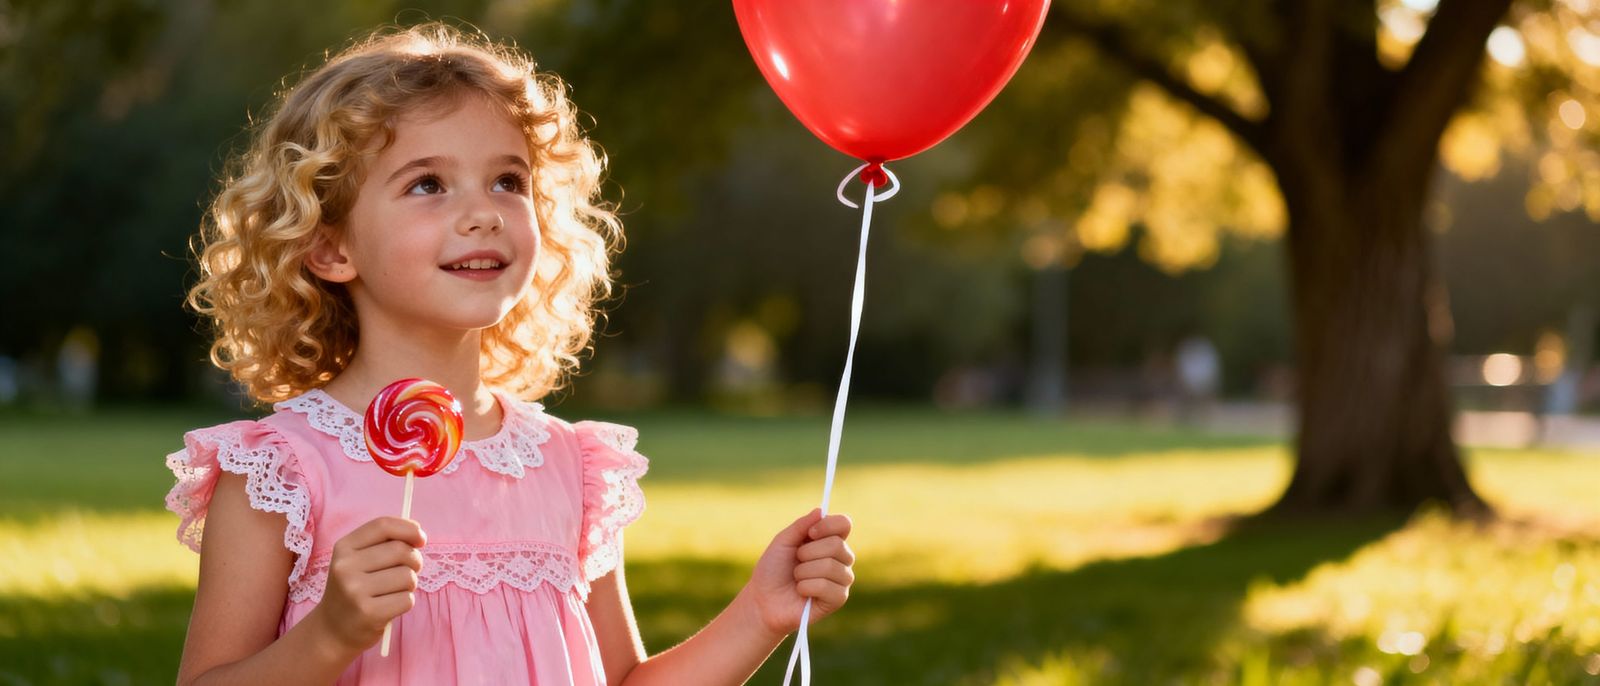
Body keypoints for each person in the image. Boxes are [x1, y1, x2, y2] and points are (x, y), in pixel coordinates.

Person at [164, 23, 855, 685]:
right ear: (329, 246)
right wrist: (329, 635)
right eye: (428, 184)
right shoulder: (281, 473)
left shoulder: (566, 467)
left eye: (508, 181)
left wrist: (760, 615)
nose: (483, 212)